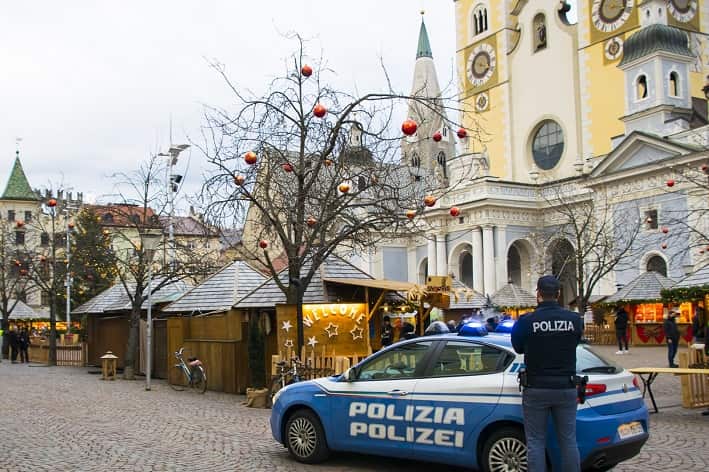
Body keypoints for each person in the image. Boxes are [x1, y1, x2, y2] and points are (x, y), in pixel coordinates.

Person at [511, 275, 582, 472]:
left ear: (538, 294)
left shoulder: (526, 321)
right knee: (568, 440)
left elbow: (517, 348)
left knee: (535, 442)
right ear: (558, 294)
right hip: (566, 386)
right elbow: (574, 343)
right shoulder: (574, 320)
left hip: (536, 388)